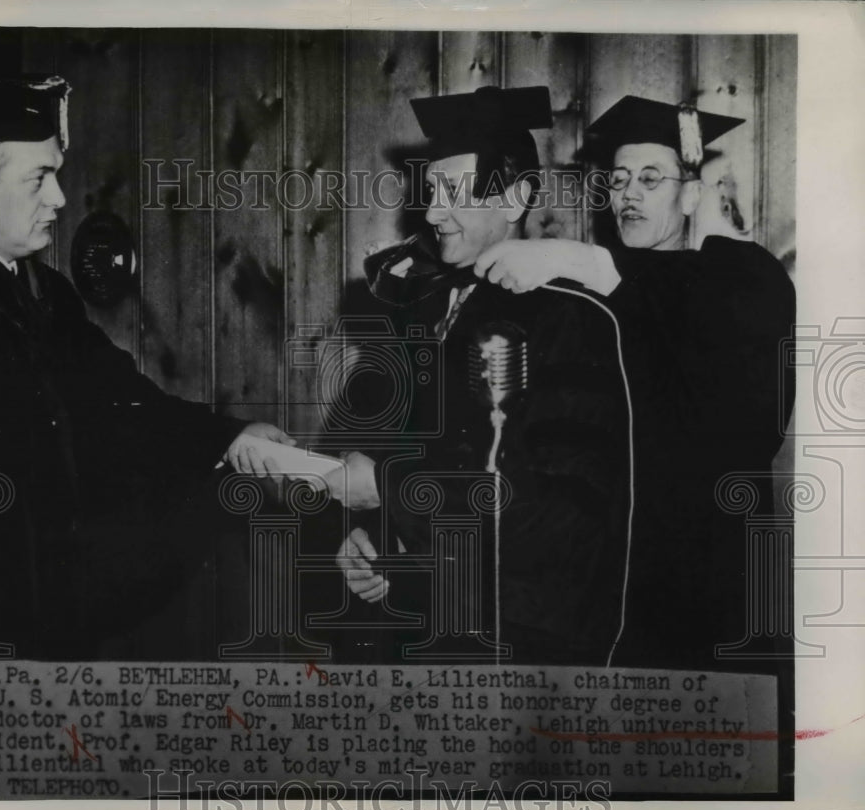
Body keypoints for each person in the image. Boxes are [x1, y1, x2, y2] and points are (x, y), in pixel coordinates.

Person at [0, 75, 292, 659]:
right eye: (39, 178)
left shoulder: (40, 289)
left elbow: (122, 400)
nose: (58, 198)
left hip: (47, 614)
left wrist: (229, 437)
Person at [474, 96, 796, 670]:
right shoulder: (582, 305)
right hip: (599, 582)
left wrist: (581, 259)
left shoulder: (738, 278)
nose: (629, 195)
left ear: (690, 195)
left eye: (651, 179)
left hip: (701, 571)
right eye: (618, 181)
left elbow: (706, 325)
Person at [328, 86, 633, 666]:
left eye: (455, 194)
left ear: (517, 198)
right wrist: (370, 537)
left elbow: (558, 518)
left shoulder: (566, 318)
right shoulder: (418, 312)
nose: (434, 213)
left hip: (517, 638)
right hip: (420, 622)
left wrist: (389, 490)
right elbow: (392, 455)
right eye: (430, 192)